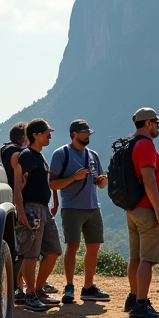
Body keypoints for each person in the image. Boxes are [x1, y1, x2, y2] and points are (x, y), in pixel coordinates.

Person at [49, 119, 110, 304]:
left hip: (93, 207)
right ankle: (69, 287)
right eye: (84, 132)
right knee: (72, 247)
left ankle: (88, 287)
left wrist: (102, 181)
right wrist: (74, 177)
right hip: (72, 208)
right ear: (73, 134)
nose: (87, 135)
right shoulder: (61, 154)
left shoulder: (93, 155)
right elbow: (52, 184)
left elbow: (100, 184)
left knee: (94, 247)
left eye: (88, 132)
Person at [123, 107, 159, 318]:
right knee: (147, 260)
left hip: (132, 209)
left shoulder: (130, 143)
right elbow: (149, 178)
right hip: (146, 209)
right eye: (157, 123)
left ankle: (133, 298)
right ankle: (141, 304)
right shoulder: (146, 145)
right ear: (148, 124)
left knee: (135, 257)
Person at [14, 118, 63, 312]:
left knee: (53, 250)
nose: (50, 134)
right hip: (31, 208)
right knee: (31, 254)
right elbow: (18, 186)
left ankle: (39, 290)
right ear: (36, 134)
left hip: (43, 208)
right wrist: (20, 210)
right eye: (46, 132)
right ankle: (30, 295)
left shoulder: (39, 156)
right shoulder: (26, 156)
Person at [1, 122, 30, 303]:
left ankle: (18, 284)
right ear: (23, 138)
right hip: (16, 202)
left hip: (4, 202)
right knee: (22, 247)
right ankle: (18, 286)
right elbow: (19, 183)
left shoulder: (4, 149)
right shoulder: (18, 154)